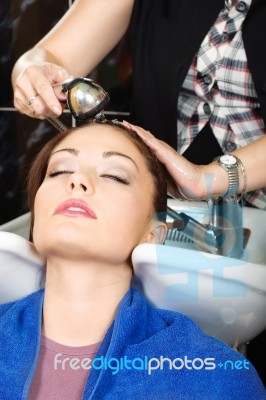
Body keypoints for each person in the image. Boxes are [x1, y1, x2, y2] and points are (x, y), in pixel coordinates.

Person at [0, 120, 265, 399]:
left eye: (115, 175)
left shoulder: (216, 377)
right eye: (59, 170)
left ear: (154, 231)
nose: (76, 181)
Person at [11, 0, 266, 208]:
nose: (77, 183)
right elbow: (48, 56)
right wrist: (32, 71)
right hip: (160, 210)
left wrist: (208, 179)